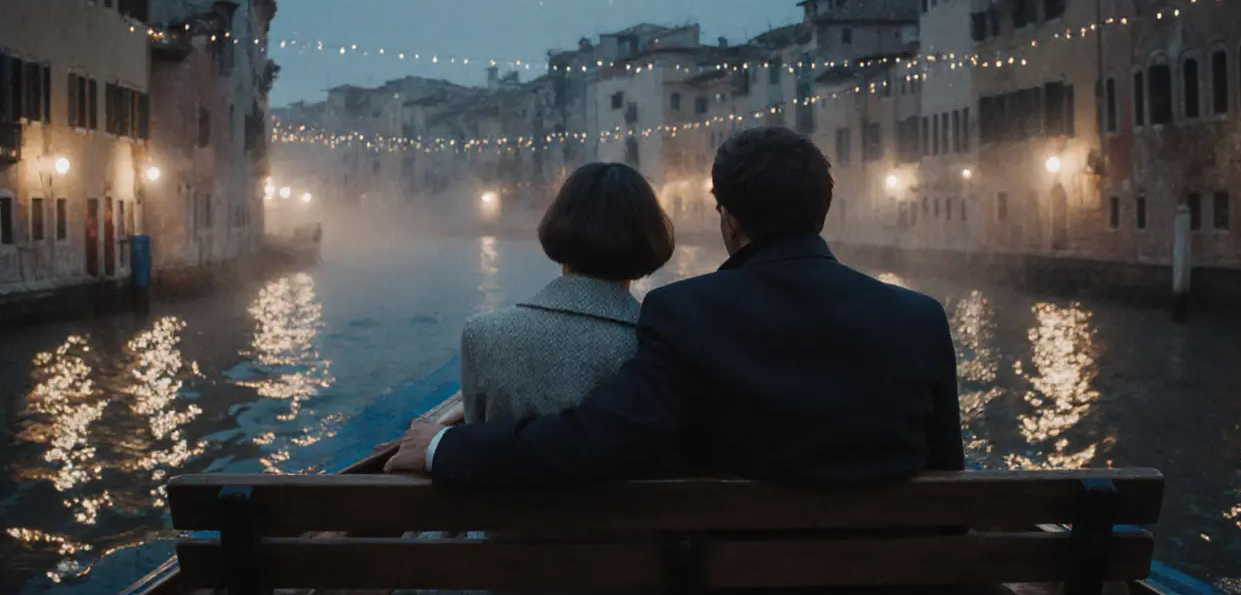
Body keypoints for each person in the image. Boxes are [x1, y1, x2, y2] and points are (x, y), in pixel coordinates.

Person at [387, 126, 963, 487]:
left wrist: (442, 445)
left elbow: (593, 442)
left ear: (728, 219)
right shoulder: (919, 318)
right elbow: (948, 477)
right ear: (824, 210)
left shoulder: (690, 313)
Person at [445, 162, 675, 426]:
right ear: (650, 240)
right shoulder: (655, 346)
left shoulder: (482, 335)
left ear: (559, 225)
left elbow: (475, 441)